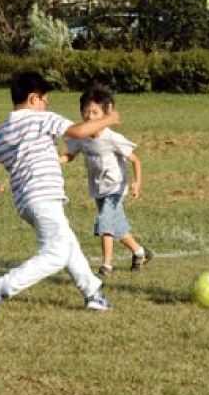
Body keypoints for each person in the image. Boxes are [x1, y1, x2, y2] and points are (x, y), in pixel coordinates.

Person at [0, 71, 120, 315]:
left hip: (26, 202)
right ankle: (3, 286)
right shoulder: (42, 119)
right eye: (45, 100)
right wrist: (108, 120)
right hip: (43, 195)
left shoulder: (4, 130)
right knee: (56, 253)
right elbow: (77, 132)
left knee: (68, 244)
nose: (46, 105)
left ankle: (93, 294)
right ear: (34, 99)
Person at [60, 86, 153, 277]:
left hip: (115, 187)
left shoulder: (112, 138)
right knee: (117, 226)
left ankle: (106, 265)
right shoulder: (82, 137)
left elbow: (135, 160)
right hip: (97, 188)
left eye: (95, 112)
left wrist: (137, 183)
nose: (89, 116)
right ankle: (140, 252)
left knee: (105, 224)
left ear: (105, 114)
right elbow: (69, 155)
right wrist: (53, 160)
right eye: (86, 111)